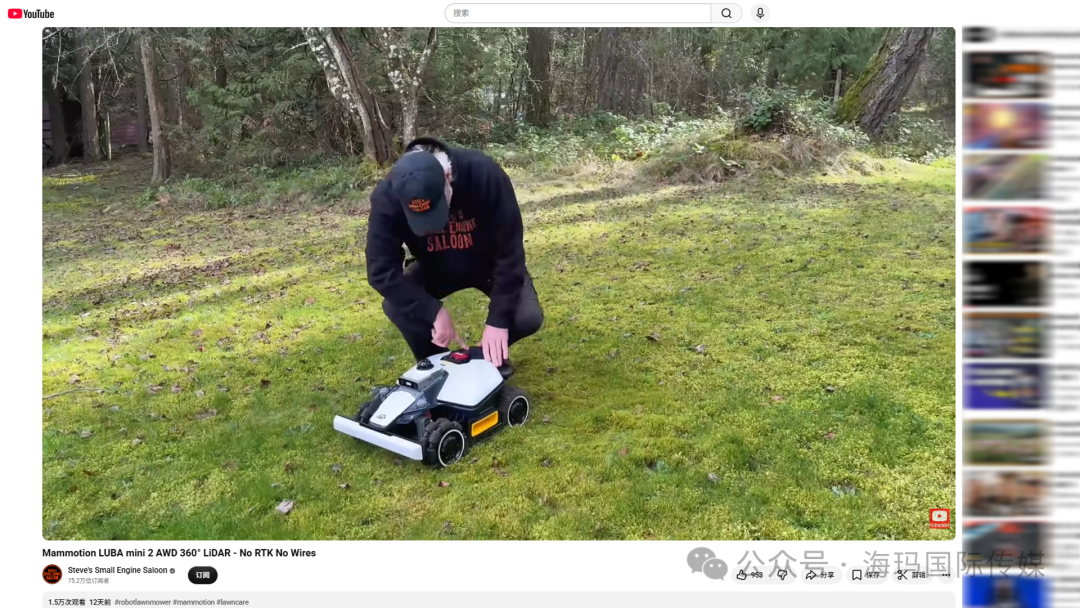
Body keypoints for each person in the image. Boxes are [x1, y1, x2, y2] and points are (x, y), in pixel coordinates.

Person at [365, 137, 544, 377]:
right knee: (397, 306)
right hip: (434, 267)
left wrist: (498, 320)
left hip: (488, 264)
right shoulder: (387, 196)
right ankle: (438, 367)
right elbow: (380, 271)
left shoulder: (484, 174)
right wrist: (432, 310)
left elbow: (509, 252)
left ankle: (485, 355)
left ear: (448, 177)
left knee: (527, 317)